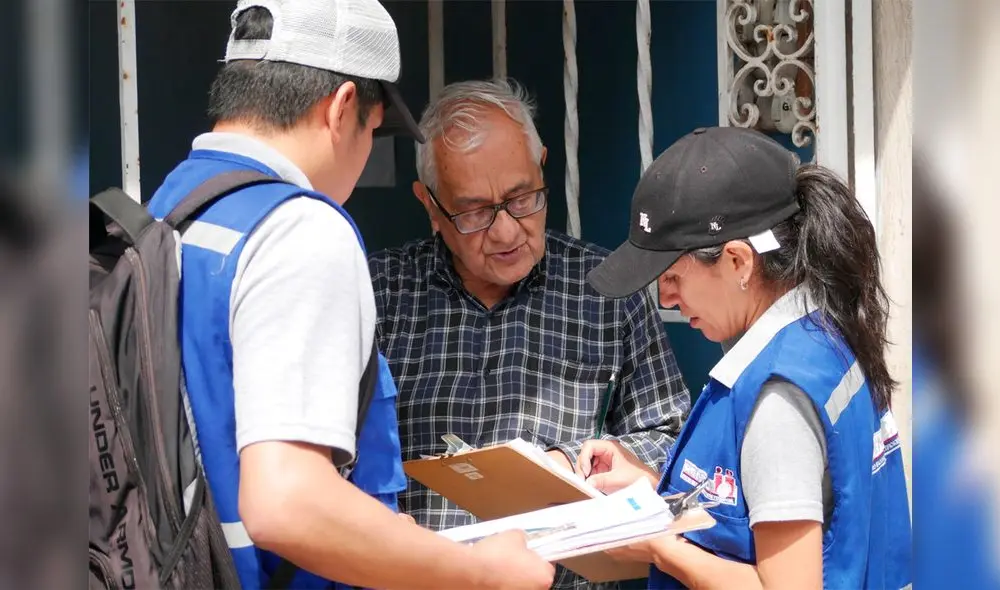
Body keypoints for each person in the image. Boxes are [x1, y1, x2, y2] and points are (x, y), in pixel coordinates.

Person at [144, 3, 555, 589]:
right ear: (342, 108)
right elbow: (288, 501)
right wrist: (480, 573)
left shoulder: (170, 212)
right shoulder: (299, 228)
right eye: (374, 128)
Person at [369, 78, 690, 588]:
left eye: (522, 199)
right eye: (474, 211)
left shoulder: (606, 290)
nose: (505, 231)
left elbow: (671, 437)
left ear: (542, 163)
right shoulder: (380, 295)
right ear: (430, 205)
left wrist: (590, 461)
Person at [577, 126, 912, 589]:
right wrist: (658, 493)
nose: (666, 299)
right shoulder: (822, 336)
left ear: (738, 261)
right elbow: (755, 514)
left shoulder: (778, 397)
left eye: (672, 277)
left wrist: (657, 542)